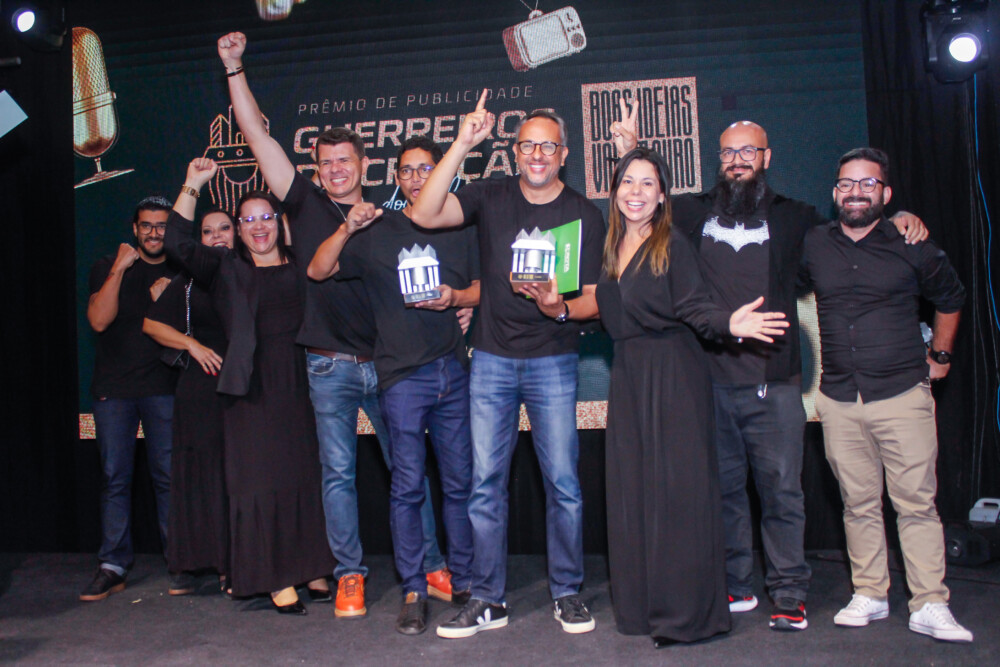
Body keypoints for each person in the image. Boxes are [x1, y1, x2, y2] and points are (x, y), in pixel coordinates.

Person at [612, 109, 926, 630]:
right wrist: (630, 149)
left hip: (774, 383)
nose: (737, 161)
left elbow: (852, 229)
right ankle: (735, 584)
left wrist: (898, 218)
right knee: (724, 494)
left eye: (748, 152)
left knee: (782, 493)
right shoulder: (691, 213)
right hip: (707, 382)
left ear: (766, 157)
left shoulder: (795, 217)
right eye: (728, 153)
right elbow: (642, 200)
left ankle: (789, 591)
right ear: (719, 160)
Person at [217, 31, 454, 616]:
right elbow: (257, 136)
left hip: (389, 365)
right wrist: (234, 68)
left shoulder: (395, 218)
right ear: (316, 172)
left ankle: (431, 565)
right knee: (338, 476)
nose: (336, 169)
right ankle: (350, 575)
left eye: (345, 160)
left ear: (364, 164)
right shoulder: (303, 204)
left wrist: (461, 302)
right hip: (328, 367)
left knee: (408, 472)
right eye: (326, 163)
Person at [411, 92, 604, 637]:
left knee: (563, 483)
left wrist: (558, 307)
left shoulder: (585, 214)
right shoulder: (490, 195)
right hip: (492, 359)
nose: (537, 155)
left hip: (553, 360)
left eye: (548, 146)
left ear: (564, 154)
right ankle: (488, 598)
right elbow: (424, 213)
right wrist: (461, 143)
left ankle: (567, 592)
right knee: (485, 484)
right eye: (527, 146)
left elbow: (594, 299)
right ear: (514, 152)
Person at [598, 146, 791, 646]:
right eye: (627, 181)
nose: (636, 192)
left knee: (677, 496)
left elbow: (695, 308)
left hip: (674, 378)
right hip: (629, 380)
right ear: (614, 192)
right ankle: (643, 610)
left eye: (648, 183)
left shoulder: (673, 245)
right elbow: (610, 309)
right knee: (635, 494)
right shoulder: (612, 245)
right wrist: (557, 306)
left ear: (664, 195)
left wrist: (730, 323)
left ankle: (684, 614)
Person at [308, 136, 480, 635]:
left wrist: (456, 299)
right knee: (406, 487)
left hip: (452, 370)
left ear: (442, 171)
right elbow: (318, 270)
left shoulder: (460, 224)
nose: (416, 178)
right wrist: (347, 226)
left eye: (426, 169)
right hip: (402, 377)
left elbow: (484, 287)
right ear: (396, 178)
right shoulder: (377, 228)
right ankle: (414, 588)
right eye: (407, 171)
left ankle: (464, 578)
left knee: (459, 483)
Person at [801, 147, 972, 642]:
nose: (856, 192)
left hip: (902, 394)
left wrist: (940, 357)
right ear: (835, 193)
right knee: (857, 504)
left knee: (916, 504)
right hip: (839, 398)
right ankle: (871, 593)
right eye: (847, 184)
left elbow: (951, 297)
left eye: (867, 184)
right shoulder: (814, 243)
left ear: (886, 192)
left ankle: (930, 602)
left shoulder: (910, 241)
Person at [164, 158, 333, 614]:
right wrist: (192, 183)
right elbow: (176, 242)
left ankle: (311, 566)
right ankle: (274, 576)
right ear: (238, 230)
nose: (259, 227)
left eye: (266, 217)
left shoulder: (302, 263)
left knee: (303, 476)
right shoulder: (225, 267)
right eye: (248, 220)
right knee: (260, 481)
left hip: (301, 383)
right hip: (251, 389)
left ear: (280, 222)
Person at [80, 196, 177, 602]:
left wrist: (166, 301)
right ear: (135, 229)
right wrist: (119, 269)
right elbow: (99, 320)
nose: (154, 233)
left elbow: (193, 330)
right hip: (115, 391)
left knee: (169, 477)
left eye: (161, 225)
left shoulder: (180, 270)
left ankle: (180, 561)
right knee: (114, 478)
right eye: (147, 225)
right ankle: (113, 565)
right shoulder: (108, 264)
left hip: (163, 387)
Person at [143, 207, 235, 594]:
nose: (217, 237)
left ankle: (235, 563)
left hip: (246, 386)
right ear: (198, 240)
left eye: (224, 228)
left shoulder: (252, 272)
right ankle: (198, 563)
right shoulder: (189, 280)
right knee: (203, 476)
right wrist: (191, 345)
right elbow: (151, 324)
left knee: (237, 475)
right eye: (208, 231)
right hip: (202, 386)